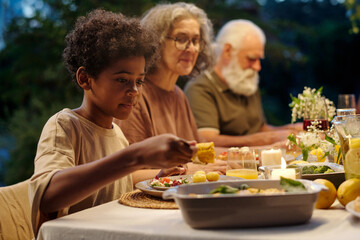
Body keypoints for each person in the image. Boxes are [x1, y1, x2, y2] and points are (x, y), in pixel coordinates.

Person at [29, 9, 196, 236]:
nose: (134, 91)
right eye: (122, 80)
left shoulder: (116, 133)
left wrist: (161, 175)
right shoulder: (65, 126)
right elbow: (48, 197)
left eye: (139, 81)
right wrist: (135, 156)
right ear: (85, 79)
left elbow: (115, 192)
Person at [115, 2, 226, 177]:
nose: (191, 49)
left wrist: (256, 152)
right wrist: (190, 171)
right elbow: (124, 176)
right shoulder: (135, 95)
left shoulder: (178, 95)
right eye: (181, 39)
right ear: (155, 42)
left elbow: (199, 153)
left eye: (196, 41)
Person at [185, 19, 302, 148]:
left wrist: (291, 130)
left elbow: (259, 129)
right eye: (252, 59)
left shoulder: (244, 79)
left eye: (259, 59)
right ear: (228, 51)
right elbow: (207, 140)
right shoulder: (200, 88)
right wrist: (266, 139)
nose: (257, 67)